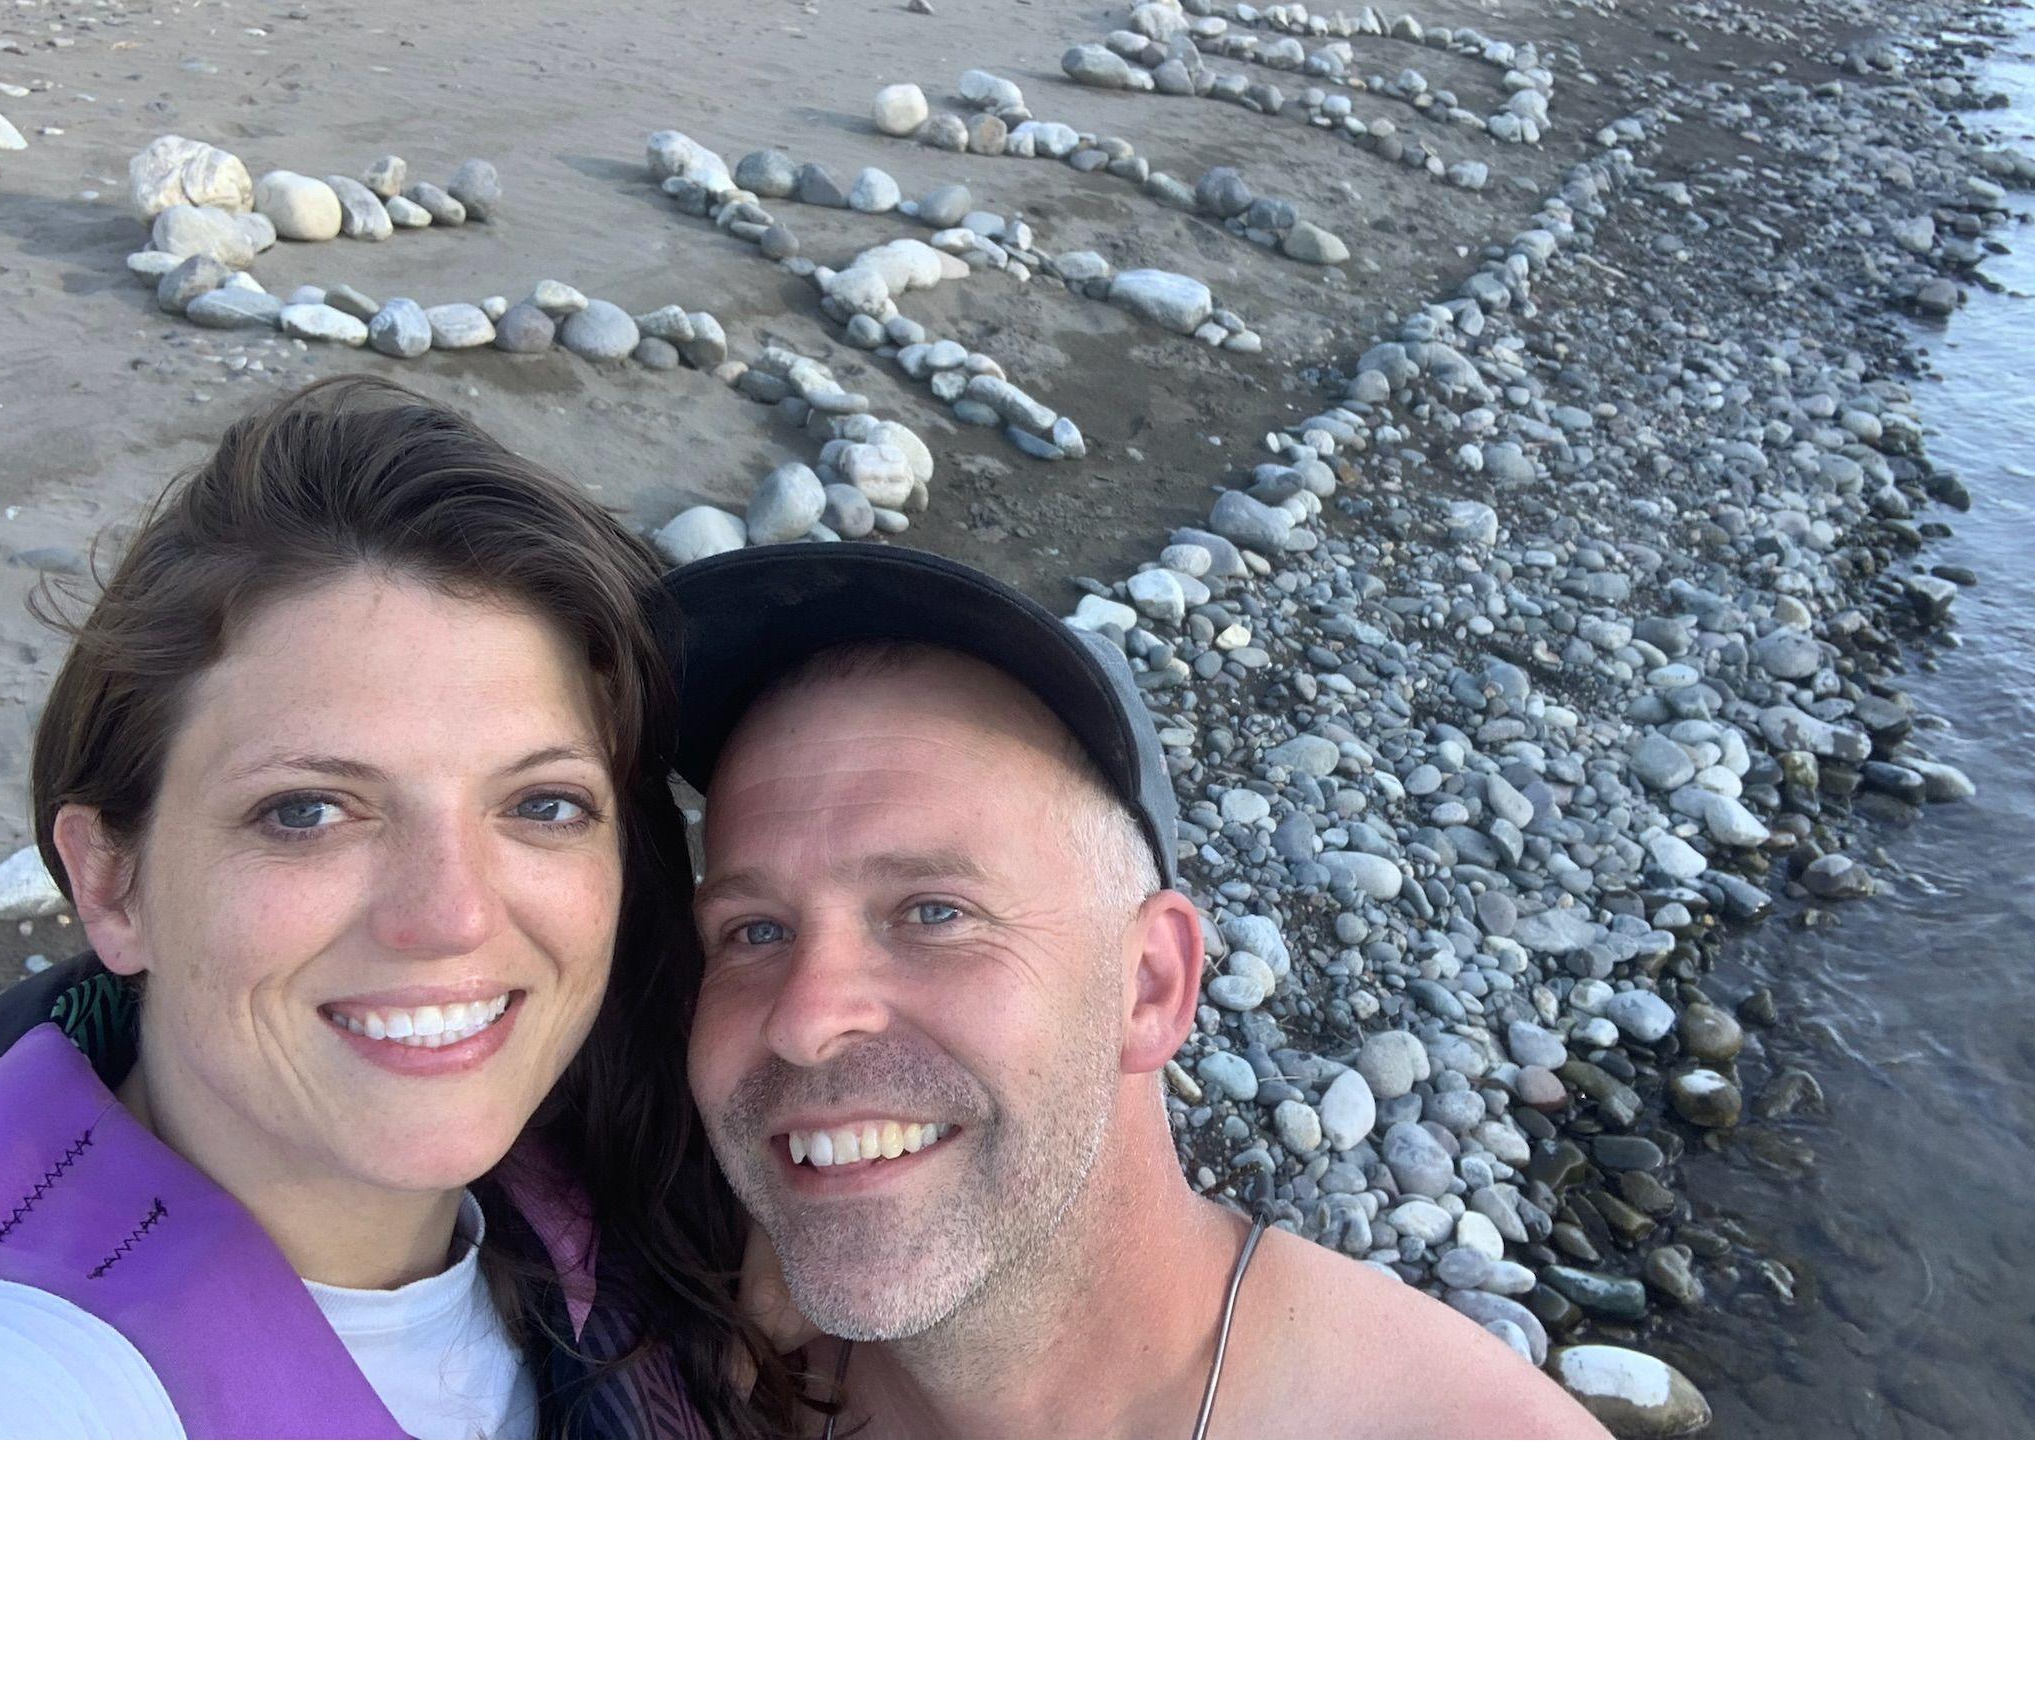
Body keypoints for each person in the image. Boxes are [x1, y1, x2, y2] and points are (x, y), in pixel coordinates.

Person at [0, 377, 790, 1438]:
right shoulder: (43, 1387)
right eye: (309, 809)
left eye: (542, 802)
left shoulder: (617, 1205)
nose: (449, 914)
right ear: (108, 883)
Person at [663, 545, 1609, 1439]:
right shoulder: (671, 1346)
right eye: (755, 932)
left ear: (1153, 984)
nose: (803, 1020)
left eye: (934, 913)